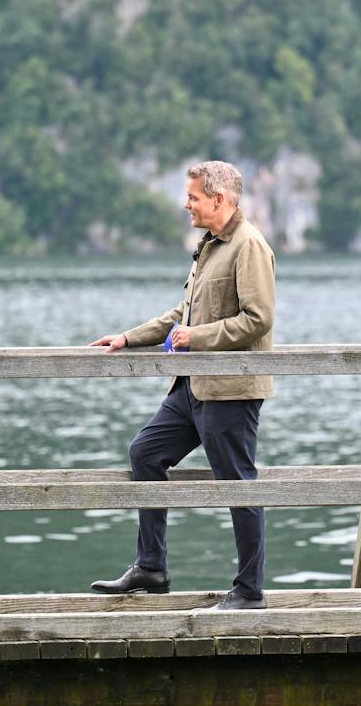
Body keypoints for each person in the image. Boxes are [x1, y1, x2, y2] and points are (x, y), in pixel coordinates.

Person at [87, 161, 276, 610]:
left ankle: (249, 592)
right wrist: (130, 337)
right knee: (145, 454)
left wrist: (198, 338)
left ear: (219, 198)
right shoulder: (209, 246)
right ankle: (151, 568)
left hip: (230, 390)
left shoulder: (249, 246)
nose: (185, 204)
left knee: (238, 485)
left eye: (192, 196)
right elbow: (181, 316)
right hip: (190, 388)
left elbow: (258, 319)